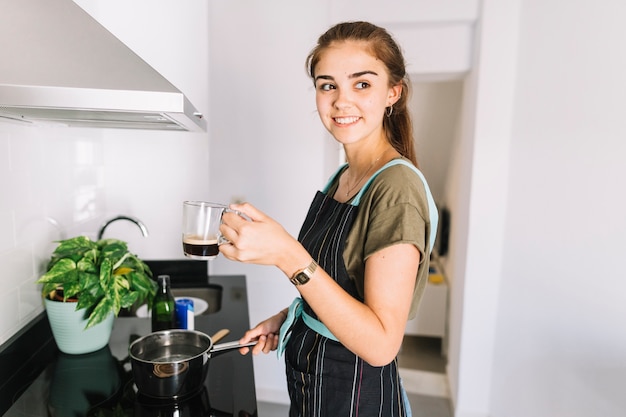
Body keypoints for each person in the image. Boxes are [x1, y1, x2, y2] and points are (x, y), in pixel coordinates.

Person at [219, 21, 438, 417]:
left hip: (354, 396)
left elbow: (380, 344)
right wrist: (292, 316)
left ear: (393, 92)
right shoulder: (344, 176)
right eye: (327, 85)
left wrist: (287, 254)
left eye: (362, 84)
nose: (340, 101)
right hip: (314, 382)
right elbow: (342, 286)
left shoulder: (397, 188)